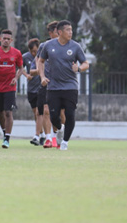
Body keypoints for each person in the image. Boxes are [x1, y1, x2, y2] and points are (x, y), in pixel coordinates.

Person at [38, 20, 89, 151]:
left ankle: (65, 142)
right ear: (59, 32)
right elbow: (40, 61)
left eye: (71, 30)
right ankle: (59, 130)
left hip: (70, 87)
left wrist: (78, 69)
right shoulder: (48, 45)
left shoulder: (76, 47)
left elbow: (86, 64)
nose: (70, 32)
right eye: (68, 30)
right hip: (53, 87)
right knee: (53, 116)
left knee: (70, 114)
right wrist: (42, 76)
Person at [0, 29, 23, 149]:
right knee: (0, 113)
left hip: (10, 88)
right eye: (4, 38)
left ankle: (7, 138)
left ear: (11, 40)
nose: (6, 40)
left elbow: (20, 68)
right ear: (0, 39)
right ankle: (4, 132)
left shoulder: (16, 53)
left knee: (8, 112)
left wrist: (16, 78)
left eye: (8, 39)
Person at [36, 21, 60, 148]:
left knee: (59, 113)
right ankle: (48, 138)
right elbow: (39, 61)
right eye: (57, 32)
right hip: (47, 82)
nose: (60, 34)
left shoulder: (67, 46)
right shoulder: (44, 46)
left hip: (61, 84)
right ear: (51, 33)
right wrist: (42, 76)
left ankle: (57, 135)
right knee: (46, 110)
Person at [23, 38, 44, 146]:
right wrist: (26, 75)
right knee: (36, 113)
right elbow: (19, 67)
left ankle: (42, 136)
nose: (33, 53)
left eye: (35, 51)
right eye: (32, 51)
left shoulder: (43, 56)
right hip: (31, 89)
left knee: (40, 112)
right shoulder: (25, 57)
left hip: (41, 88)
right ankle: (41, 133)